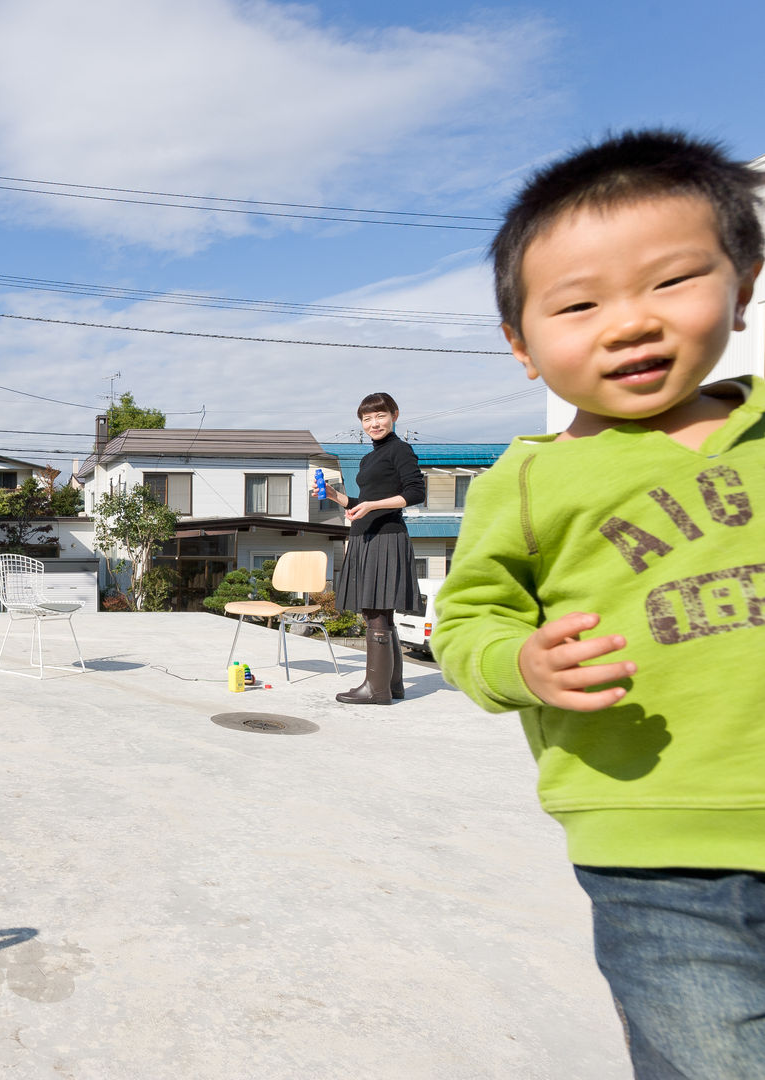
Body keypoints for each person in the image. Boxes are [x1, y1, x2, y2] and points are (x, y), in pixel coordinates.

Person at [432, 130, 765, 1078]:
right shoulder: (528, 481)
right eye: (578, 304)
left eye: (669, 282)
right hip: (655, 848)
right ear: (522, 345)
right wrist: (520, 665)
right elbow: (467, 620)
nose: (628, 323)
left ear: (742, 287)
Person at [319, 392, 425, 705]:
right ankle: (392, 686)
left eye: (380, 416)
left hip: (386, 536)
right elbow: (361, 503)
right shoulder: (369, 458)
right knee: (376, 611)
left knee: (377, 609)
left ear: (394, 415)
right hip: (366, 534)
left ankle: (376, 689)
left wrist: (372, 506)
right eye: (367, 418)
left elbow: (416, 492)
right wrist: (336, 497)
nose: (373, 423)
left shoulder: (400, 449)